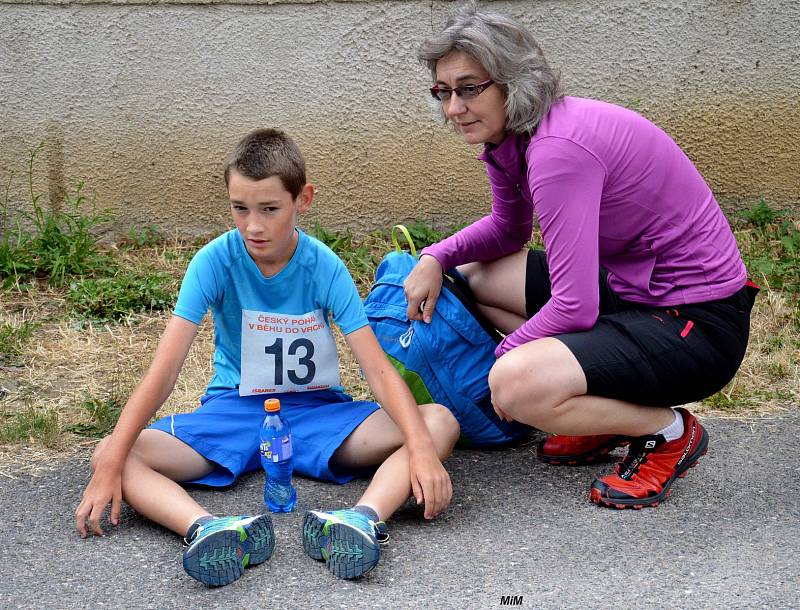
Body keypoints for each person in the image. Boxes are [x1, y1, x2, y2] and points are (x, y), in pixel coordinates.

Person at [405, 3, 757, 510]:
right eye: (443, 91)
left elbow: (575, 307)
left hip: (698, 325)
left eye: (469, 88)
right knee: (476, 278)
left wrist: (503, 369)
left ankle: (668, 430)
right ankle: (601, 414)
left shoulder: (557, 150)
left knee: (516, 385)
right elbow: (509, 230)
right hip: (637, 292)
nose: (453, 108)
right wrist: (436, 257)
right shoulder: (514, 139)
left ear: (512, 81)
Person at [75, 128, 458, 585]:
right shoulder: (213, 262)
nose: (253, 225)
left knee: (437, 424)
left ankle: (358, 521)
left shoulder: (325, 266)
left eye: (270, 209)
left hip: (318, 416)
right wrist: (111, 465)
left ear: (304, 200)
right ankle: (209, 530)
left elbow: (375, 368)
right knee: (112, 451)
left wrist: (420, 450)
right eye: (240, 209)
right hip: (234, 415)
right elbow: (163, 374)